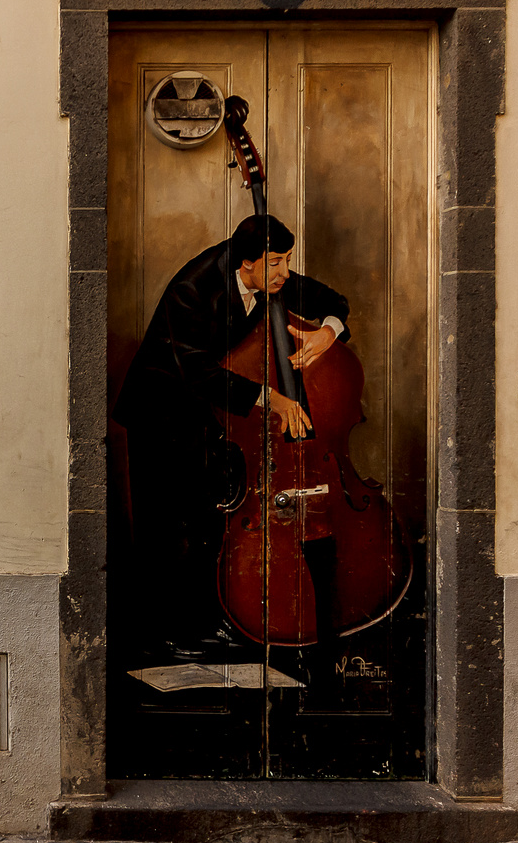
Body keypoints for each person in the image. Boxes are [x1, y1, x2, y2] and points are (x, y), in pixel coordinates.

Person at [112, 214, 348, 662]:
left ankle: (206, 621)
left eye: (287, 261)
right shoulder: (193, 288)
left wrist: (327, 332)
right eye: (276, 262)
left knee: (206, 518)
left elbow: (335, 302)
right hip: (159, 407)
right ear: (246, 264)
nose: (284, 273)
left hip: (202, 409)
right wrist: (273, 400)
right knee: (167, 524)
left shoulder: (267, 275)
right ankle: (165, 634)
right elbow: (196, 372)